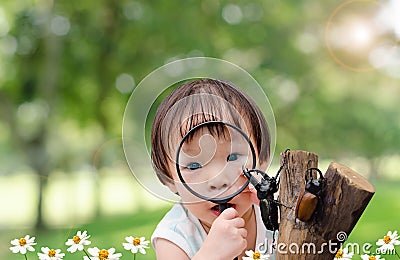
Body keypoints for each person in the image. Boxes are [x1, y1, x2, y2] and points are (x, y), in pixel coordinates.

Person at [150, 78, 275, 259]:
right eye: (193, 166)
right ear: (169, 179)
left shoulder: (278, 212)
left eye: (232, 157)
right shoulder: (174, 238)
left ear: (262, 160)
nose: (217, 181)